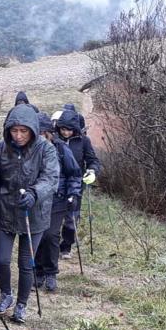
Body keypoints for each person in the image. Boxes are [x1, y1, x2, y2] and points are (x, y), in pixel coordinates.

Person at [0, 104, 59, 323]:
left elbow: (51, 179)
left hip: (34, 216)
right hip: (5, 212)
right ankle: (6, 294)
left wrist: (34, 194)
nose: (19, 135)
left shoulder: (46, 149)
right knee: (2, 260)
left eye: (24, 131)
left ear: (32, 130)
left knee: (26, 263)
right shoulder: (0, 149)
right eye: (14, 130)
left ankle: (22, 304)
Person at [34, 112, 82, 291]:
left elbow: (74, 173)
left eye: (41, 133)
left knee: (51, 235)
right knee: (37, 235)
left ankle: (51, 272)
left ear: (48, 132)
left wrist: (73, 194)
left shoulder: (61, 149)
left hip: (58, 199)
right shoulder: (31, 150)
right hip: (37, 200)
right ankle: (37, 271)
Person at [56, 109, 101, 259]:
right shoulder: (55, 140)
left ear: (75, 129)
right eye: (63, 129)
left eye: (69, 130)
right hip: (56, 184)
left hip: (76, 185)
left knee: (71, 219)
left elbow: (93, 160)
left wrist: (92, 171)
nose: (66, 132)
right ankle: (51, 246)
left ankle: (66, 247)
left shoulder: (83, 141)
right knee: (54, 219)